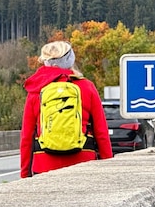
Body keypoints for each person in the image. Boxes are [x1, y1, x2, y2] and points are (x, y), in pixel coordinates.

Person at [20, 41, 113, 177]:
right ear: (71, 60)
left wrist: (24, 174)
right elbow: (101, 133)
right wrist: (107, 169)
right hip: (83, 162)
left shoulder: (36, 90)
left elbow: (26, 137)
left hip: (44, 164)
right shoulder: (87, 87)